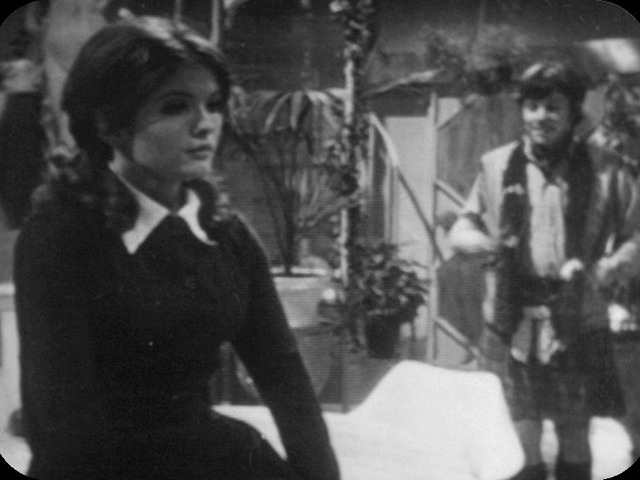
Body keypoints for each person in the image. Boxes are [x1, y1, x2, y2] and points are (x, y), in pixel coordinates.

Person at [14, 15, 340, 480]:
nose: (206, 125)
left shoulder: (227, 234)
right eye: (176, 107)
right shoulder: (60, 236)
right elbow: (59, 428)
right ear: (108, 123)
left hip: (216, 455)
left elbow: (285, 381)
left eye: (214, 105)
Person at [448, 61, 640, 480]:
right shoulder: (496, 165)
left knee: (574, 433)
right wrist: (483, 244)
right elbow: (463, 227)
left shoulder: (607, 168)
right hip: (510, 317)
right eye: (532, 106)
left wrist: (607, 269)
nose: (540, 117)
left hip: (578, 317)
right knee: (520, 434)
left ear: (573, 111)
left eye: (553, 107)